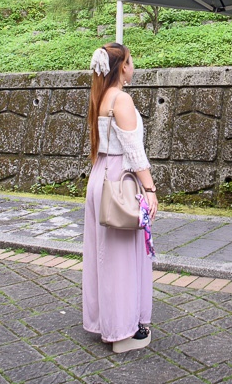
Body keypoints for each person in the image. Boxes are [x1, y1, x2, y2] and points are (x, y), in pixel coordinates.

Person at [82, 42, 159, 353]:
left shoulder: (100, 98)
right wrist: (151, 190)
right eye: (130, 60)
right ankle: (123, 334)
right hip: (119, 181)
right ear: (121, 67)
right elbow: (134, 152)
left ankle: (108, 322)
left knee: (104, 255)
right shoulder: (122, 99)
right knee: (121, 257)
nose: (133, 65)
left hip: (101, 176)